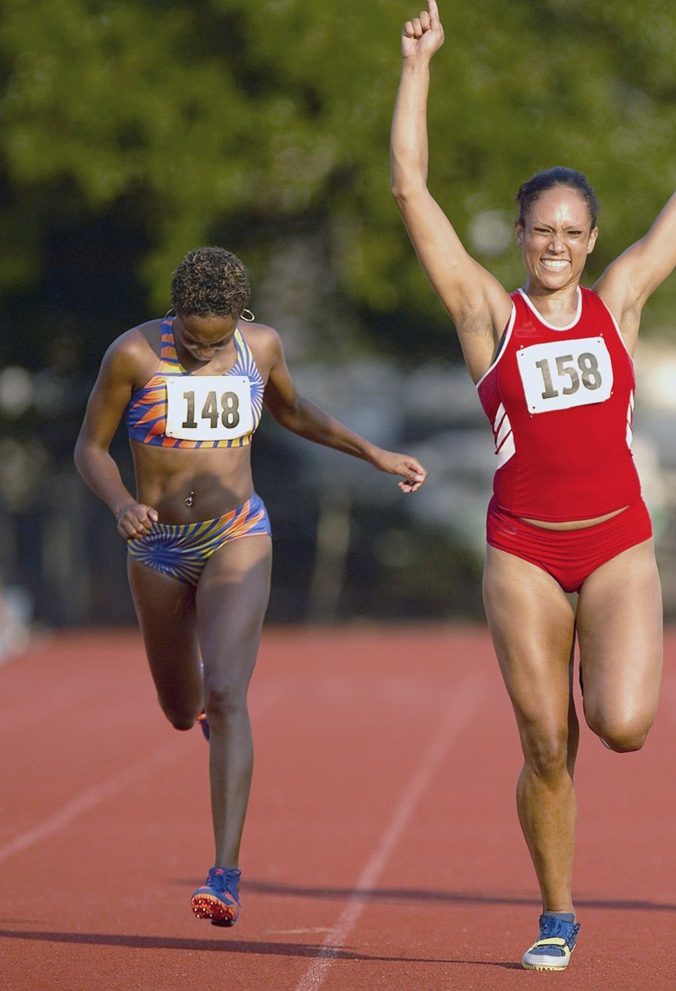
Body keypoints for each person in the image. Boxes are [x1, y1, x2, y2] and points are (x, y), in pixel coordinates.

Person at [391, 0, 676, 971]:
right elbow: (412, 192)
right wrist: (416, 69)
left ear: (591, 240)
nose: (555, 243)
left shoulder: (619, 302)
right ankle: (555, 912)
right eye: (539, 229)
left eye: (571, 231)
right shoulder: (484, 315)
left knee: (621, 725)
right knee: (545, 743)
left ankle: (600, 697)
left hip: (618, 543)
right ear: (519, 235)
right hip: (521, 551)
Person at [73, 246, 427, 928]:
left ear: (241, 318)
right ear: (174, 313)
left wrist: (373, 454)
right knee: (182, 710)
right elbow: (91, 446)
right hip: (156, 548)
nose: (205, 354)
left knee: (229, 693)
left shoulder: (259, 346)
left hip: (237, 531)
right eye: (193, 340)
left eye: (217, 341)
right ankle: (201, 708)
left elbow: (295, 413)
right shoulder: (134, 354)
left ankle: (225, 874)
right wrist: (121, 503)